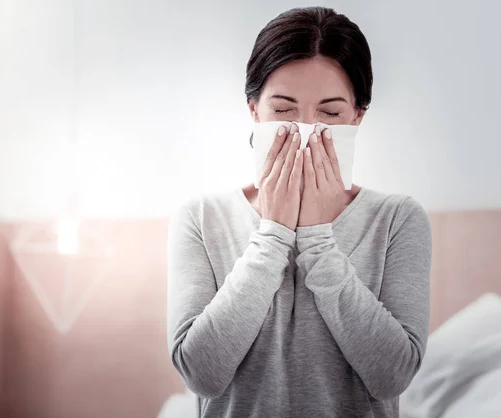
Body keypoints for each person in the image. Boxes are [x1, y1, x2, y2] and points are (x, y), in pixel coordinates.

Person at [166, 6, 432, 418]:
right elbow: (200, 375)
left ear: (358, 116)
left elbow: (392, 377)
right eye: (284, 110)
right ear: (254, 109)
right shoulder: (202, 218)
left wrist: (318, 238)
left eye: (330, 113)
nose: (305, 132)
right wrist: (272, 234)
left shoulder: (397, 219)